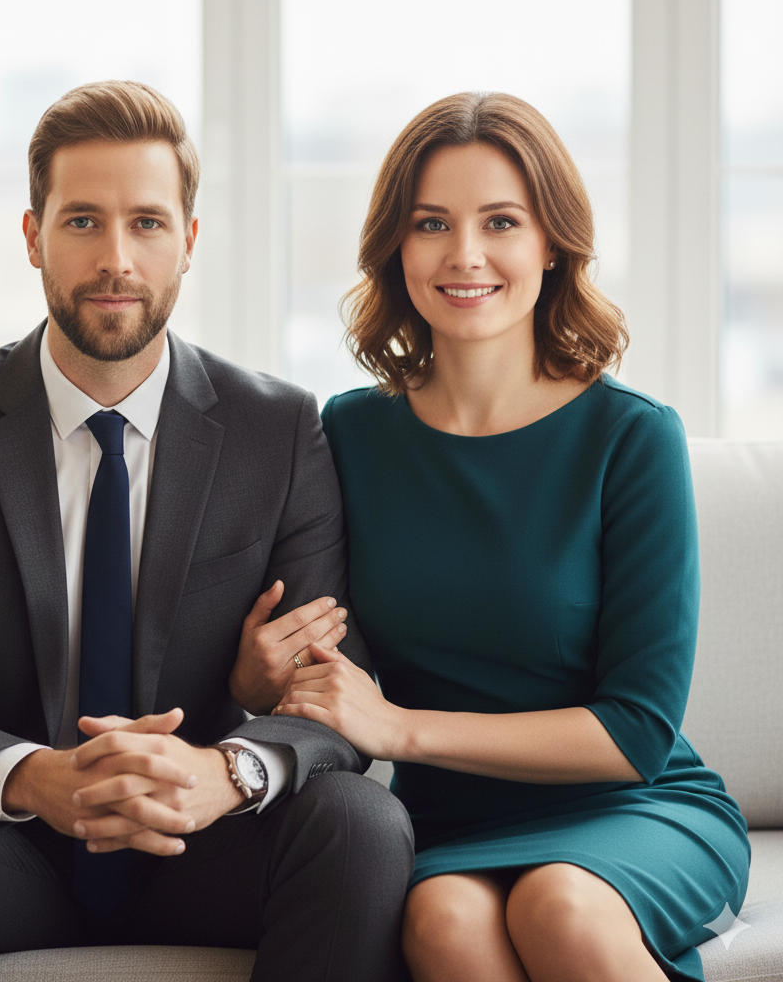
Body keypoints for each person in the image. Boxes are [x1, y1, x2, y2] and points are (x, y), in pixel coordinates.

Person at [0, 80, 413, 982]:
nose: (116, 259)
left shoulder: (279, 431)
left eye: (148, 223)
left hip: (209, 843)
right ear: (32, 235)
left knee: (364, 825)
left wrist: (227, 772)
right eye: (83, 221)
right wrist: (29, 777)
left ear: (190, 242)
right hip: (0, 848)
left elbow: (338, 707)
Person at [257, 93, 750, 981]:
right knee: (444, 921)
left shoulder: (632, 435)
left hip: (638, 808)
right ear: (396, 248)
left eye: (501, 222)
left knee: (558, 903)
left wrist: (403, 730)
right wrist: (258, 674)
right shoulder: (350, 436)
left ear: (551, 243)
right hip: (454, 825)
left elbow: (635, 731)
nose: (465, 255)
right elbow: (326, 652)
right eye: (432, 223)